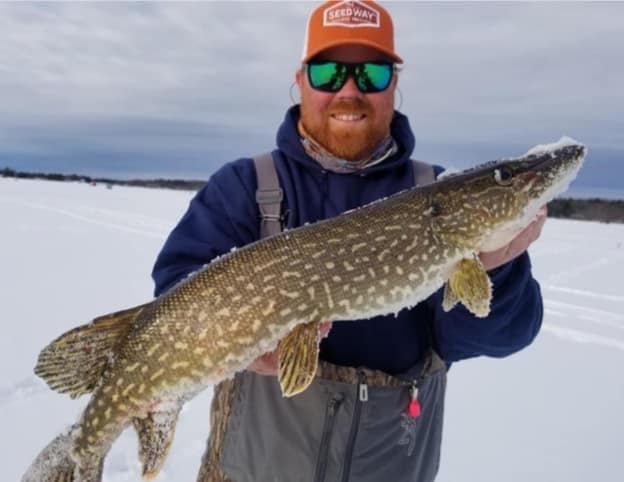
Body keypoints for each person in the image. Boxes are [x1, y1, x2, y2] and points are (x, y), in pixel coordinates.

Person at [152, 1, 547, 481]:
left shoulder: (438, 194)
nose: (350, 90)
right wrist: (231, 339)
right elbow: (177, 291)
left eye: (372, 74)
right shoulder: (247, 187)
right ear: (300, 81)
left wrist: (495, 271)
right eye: (328, 71)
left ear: (394, 85)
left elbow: (501, 334)